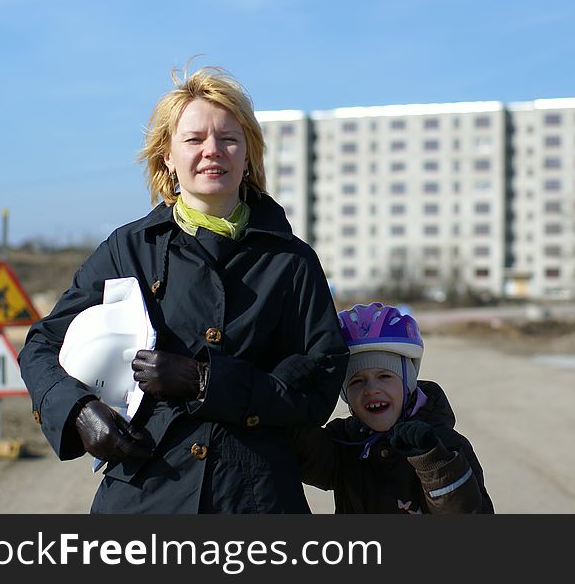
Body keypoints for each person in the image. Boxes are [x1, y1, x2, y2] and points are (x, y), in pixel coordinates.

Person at [19, 66, 349, 513]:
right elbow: (42, 344)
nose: (213, 151)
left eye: (229, 138)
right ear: (167, 158)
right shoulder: (128, 249)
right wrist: (78, 412)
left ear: (249, 154)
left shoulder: (292, 260)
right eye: (194, 139)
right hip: (143, 497)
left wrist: (205, 382)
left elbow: (319, 382)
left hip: (255, 499)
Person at [290, 303, 495, 513]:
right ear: (345, 394)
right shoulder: (343, 441)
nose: (371, 389)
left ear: (408, 382)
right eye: (357, 381)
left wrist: (433, 462)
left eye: (385, 376)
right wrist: (292, 397)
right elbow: (302, 453)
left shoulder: (446, 446)